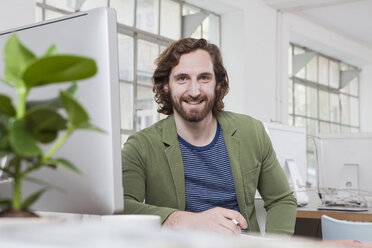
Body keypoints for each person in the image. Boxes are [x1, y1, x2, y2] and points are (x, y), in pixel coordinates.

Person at [122, 38, 297, 235]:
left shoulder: (252, 131)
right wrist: (184, 220)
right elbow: (122, 208)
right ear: (165, 85)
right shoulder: (140, 146)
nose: (194, 91)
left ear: (218, 84)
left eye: (204, 78)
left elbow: (282, 200)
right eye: (182, 78)